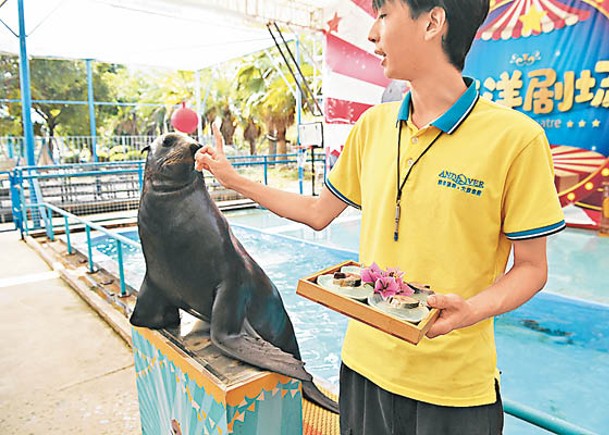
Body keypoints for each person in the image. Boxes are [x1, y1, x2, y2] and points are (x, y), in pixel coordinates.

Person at [195, 0, 565, 433]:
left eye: (384, 15)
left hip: (453, 391)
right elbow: (318, 213)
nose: (372, 33)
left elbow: (531, 267)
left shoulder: (517, 140)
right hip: (363, 370)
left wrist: (472, 310)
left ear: (433, 22)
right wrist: (233, 179)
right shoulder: (372, 126)